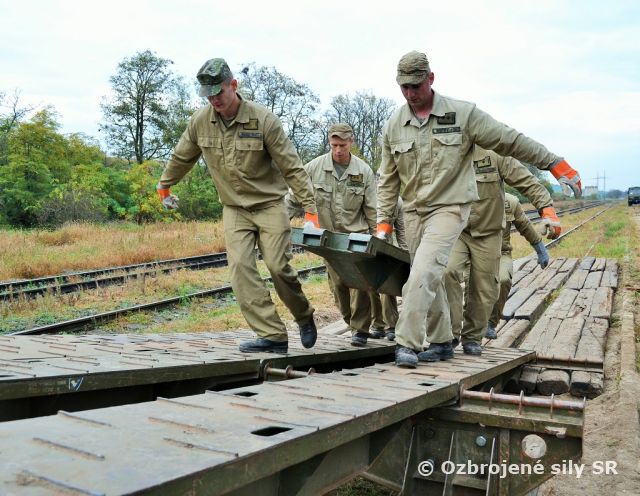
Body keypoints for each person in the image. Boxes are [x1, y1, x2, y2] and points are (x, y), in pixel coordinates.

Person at [376, 50, 582, 368]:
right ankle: (442, 341)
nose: (410, 94)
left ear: (431, 79)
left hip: (450, 209)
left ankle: (407, 341)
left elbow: (510, 140)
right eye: (404, 87)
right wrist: (383, 223)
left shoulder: (462, 115)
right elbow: (388, 180)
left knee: (423, 273)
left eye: (416, 86)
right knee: (433, 275)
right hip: (414, 213)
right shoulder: (394, 124)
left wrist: (555, 163)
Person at [157, 58, 320, 354]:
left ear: (233, 85)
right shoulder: (200, 121)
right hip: (234, 209)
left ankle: (303, 315)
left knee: (278, 267)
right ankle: (272, 335)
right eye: (208, 95)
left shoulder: (263, 120)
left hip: (269, 204)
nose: (214, 100)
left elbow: (292, 166)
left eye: (218, 92)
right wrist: (164, 185)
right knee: (240, 270)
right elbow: (182, 156)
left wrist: (310, 210)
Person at [423, 147, 555, 360]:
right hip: (458, 230)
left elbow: (526, 181)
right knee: (446, 272)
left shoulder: (496, 155)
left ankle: (473, 337)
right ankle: (446, 336)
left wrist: (546, 210)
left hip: (489, 233)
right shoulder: (447, 152)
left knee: (484, 285)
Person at [301, 123, 377, 346]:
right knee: (338, 287)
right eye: (334, 145)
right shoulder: (314, 168)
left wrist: (379, 241)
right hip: (330, 241)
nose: (338, 150)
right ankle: (350, 320)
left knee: (360, 285)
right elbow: (294, 196)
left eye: (342, 145)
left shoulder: (363, 171)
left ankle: (360, 330)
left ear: (351, 142)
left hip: (357, 239)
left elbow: (373, 210)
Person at [487, 193, 549, 337]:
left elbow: (525, 226)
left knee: (504, 280)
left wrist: (541, 250)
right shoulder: (470, 196)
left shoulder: (511, 202)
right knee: (472, 285)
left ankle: (490, 322)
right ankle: (469, 325)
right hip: (474, 252)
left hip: (502, 252)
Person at [369, 196, 407, 341]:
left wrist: (406, 256)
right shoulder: (368, 195)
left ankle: (391, 325)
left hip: (385, 248)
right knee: (369, 285)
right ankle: (377, 324)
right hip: (366, 244)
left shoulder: (397, 201)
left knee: (386, 285)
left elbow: (401, 230)